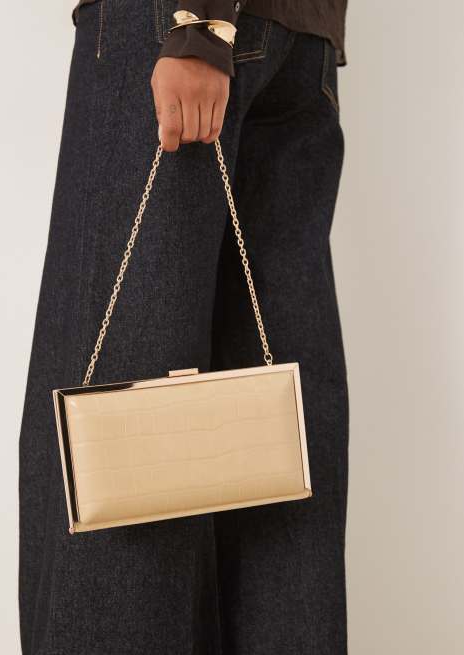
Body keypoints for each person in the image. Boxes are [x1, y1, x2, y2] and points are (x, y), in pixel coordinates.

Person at [18, 1, 349, 653]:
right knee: (267, 443)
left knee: (121, 442)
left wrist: (198, 26)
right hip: (300, 37)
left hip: (178, 26)